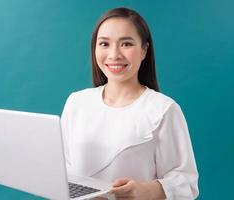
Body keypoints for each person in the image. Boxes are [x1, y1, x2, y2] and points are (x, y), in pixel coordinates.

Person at [61, 7, 199, 200]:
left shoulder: (163, 110)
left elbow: (186, 184)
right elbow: (61, 170)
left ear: (144, 50)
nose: (114, 54)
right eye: (104, 44)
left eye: (126, 44)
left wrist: (142, 191)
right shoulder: (77, 102)